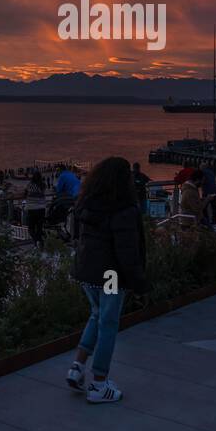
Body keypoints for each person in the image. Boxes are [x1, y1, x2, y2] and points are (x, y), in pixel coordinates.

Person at [65, 157, 146, 404]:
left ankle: (77, 367)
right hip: (110, 274)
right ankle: (99, 383)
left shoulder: (87, 203)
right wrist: (139, 282)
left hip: (87, 272)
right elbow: (127, 252)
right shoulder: (124, 210)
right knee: (108, 324)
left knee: (97, 315)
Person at [24, 170, 47, 247]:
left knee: (31, 228)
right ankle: (39, 242)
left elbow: (25, 194)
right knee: (39, 228)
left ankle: (36, 241)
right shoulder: (43, 185)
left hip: (32, 209)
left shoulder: (30, 185)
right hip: (41, 209)